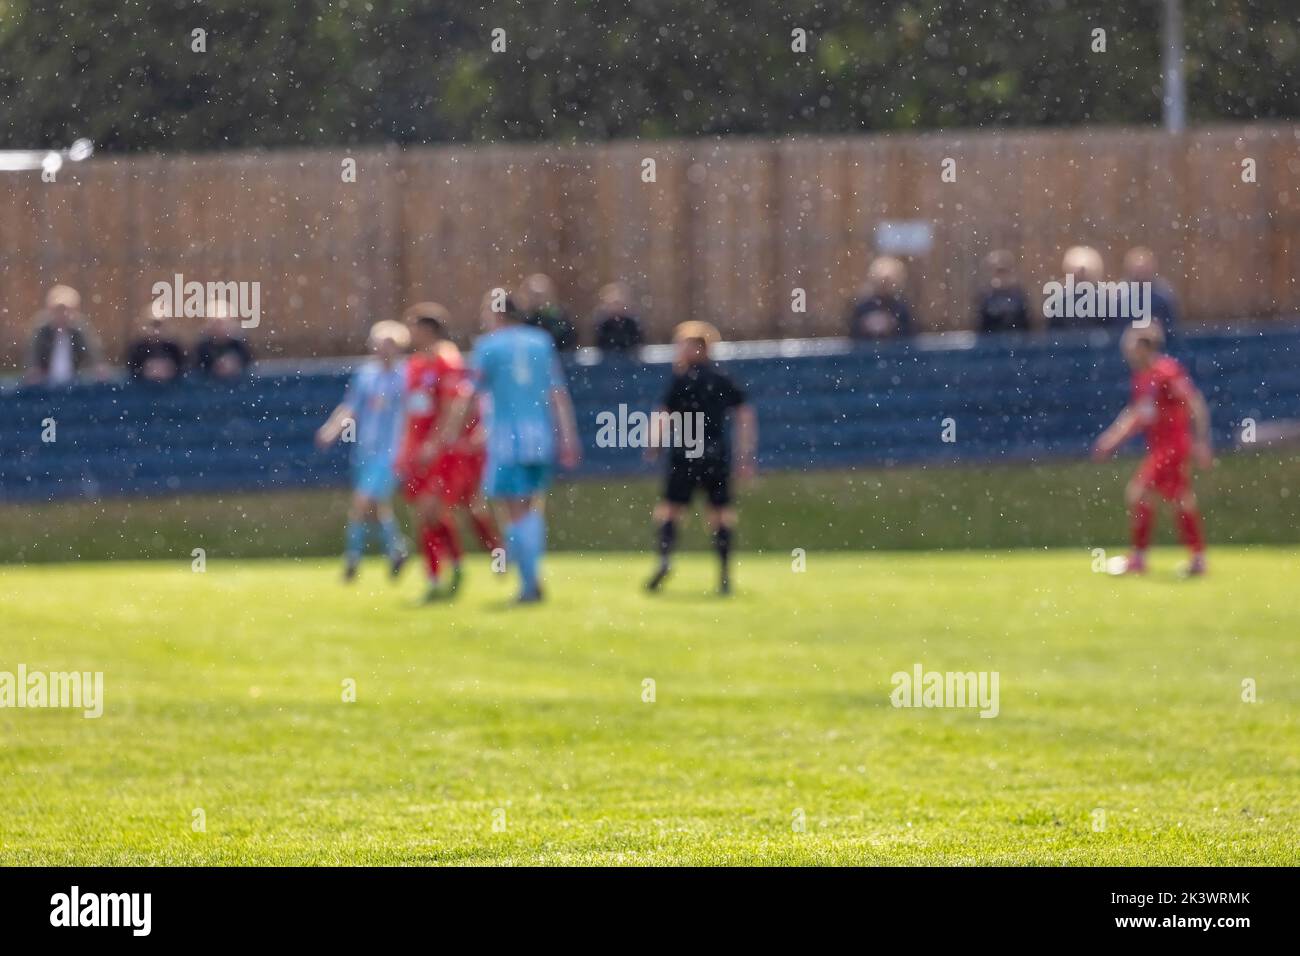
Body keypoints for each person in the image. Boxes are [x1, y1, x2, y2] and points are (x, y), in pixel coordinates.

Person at [441, 293, 581, 603]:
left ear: (496, 315)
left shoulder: (489, 346)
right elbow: (556, 392)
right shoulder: (541, 342)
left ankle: (529, 583)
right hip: (540, 436)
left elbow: (469, 394)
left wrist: (451, 432)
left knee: (512, 509)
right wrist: (568, 436)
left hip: (507, 440)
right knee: (531, 506)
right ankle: (526, 568)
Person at [398, 302, 501, 602]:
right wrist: (407, 449)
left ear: (428, 330)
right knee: (428, 514)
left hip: (447, 452)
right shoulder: (416, 365)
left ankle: (491, 556)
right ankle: (451, 568)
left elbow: (454, 407)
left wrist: (436, 443)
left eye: (414, 327)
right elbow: (412, 412)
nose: (410, 333)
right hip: (420, 451)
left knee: (444, 508)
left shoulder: (448, 361)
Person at [645, 321, 757, 596]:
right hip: (716, 453)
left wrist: (653, 444)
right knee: (720, 514)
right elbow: (744, 415)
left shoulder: (681, 380)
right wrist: (745, 454)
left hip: (685, 451)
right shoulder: (722, 379)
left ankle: (665, 557)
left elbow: (663, 415)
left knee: (671, 509)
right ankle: (724, 574)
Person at [1092, 323, 1212, 576]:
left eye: (1132, 346)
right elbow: (1137, 414)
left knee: (1140, 493)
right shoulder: (1142, 378)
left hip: (1173, 448)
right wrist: (1113, 438)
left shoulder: (1167, 372)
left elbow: (1194, 402)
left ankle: (1139, 559)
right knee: (1180, 500)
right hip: (1161, 449)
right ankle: (1197, 558)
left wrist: (1201, 441)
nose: (1127, 352)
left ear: (1146, 347)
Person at [315, 320, 411, 581]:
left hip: (391, 452)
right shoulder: (367, 375)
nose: (381, 350)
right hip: (365, 450)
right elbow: (350, 407)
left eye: (387, 344)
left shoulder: (406, 376)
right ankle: (397, 550)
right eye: (378, 344)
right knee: (375, 509)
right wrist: (332, 429)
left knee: (361, 503)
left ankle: (352, 561)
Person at [25, 285, 108, 385]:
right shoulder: (41, 330)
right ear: (50, 311)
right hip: (46, 382)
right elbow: (32, 357)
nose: (62, 314)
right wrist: (34, 371)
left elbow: (93, 353)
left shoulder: (80, 330)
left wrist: (98, 367)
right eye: (58, 310)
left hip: (75, 381)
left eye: (66, 310)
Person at [847, 256, 915, 340]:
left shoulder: (901, 307)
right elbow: (852, 334)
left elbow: (910, 335)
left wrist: (892, 325)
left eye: (888, 282)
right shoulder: (862, 306)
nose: (884, 285)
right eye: (880, 281)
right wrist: (865, 325)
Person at [1123, 246, 1181, 343]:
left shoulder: (1163, 295)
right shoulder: (1118, 296)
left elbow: (1171, 326)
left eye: (1144, 269)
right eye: (1137, 270)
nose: (1140, 273)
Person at [975, 250, 1033, 334]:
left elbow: (1027, 324)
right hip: (991, 341)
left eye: (1004, 271)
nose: (1001, 276)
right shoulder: (985, 296)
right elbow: (980, 326)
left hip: (1017, 341)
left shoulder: (1019, 295)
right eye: (998, 272)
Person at [517, 273, 579, 351]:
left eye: (541, 295)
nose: (538, 299)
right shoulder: (523, 317)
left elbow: (569, 340)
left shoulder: (560, 315)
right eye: (535, 295)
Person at [125, 306, 186, 383]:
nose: (156, 330)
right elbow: (131, 372)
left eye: (159, 325)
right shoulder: (137, 348)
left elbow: (182, 371)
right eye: (153, 325)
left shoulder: (174, 348)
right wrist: (146, 370)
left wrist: (169, 369)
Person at [195, 301, 253, 378]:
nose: (220, 327)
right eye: (216, 323)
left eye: (223, 323)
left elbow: (249, 365)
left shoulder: (240, 345)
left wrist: (235, 363)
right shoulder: (202, 347)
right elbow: (198, 368)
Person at [592, 281, 645, 353]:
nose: (614, 307)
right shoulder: (604, 325)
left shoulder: (631, 324)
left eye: (617, 303)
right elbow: (600, 346)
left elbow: (637, 344)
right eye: (611, 304)